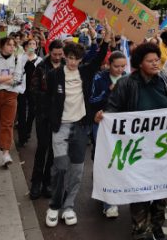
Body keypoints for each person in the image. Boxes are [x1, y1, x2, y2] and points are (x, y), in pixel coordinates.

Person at [99, 42, 167, 240]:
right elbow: (113, 110)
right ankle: (140, 229)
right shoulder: (126, 83)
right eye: (150, 61)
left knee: (163, 190)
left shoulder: (164, 80)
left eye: (157, 60)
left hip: (163, 148)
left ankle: (156, 224)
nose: (156, 64)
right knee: (140, 190)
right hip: (137, 149)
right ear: (140, 63)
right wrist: (103, 117)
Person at [44, 29, 110, 228]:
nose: (73, 62)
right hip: (61, 127)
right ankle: (54, 206)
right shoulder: (54, 75)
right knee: (61, 167)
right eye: (70, 58)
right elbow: (47, 101)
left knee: (77, 169)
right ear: (64, 57)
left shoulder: (85, 72)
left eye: (77, 59)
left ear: (81, 60)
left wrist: (106, 40)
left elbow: (99, 58)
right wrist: (50, 121)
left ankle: (69, 206)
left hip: (81, 126)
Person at [89, 51, 128, 219]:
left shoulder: (128, 78)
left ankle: (113, 191)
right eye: (116, 66)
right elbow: (92, 100)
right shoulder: (99, 78)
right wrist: (108, 91)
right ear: (108, 64)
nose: (120, 70)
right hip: (102, 123)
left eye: (122, 66)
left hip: (121, 125)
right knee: (106, 160)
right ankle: (109, 203)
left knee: (118, 159)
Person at [28, 40, 65, 200]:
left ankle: (47, 182)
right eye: (54, 54)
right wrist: (50, 98)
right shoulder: (41, 67)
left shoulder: (66, 67)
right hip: (43, 115)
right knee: (42, 147)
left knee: (53, 150)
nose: (57, 57)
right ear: (49, 52)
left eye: (60, 54)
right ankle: (36, 182)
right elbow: (33, 90)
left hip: (61, 117)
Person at [0, 37, 23, 167]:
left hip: (11, 95)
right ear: (1, 46)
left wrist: (2, 79)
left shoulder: (17, 60)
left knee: (7, 124)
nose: (12, 47)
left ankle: (6, 152)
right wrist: (10, 77)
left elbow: (18, 79)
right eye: (9, 45)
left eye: (13, 45)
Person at [16, 39, 42, 147]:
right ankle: (22, 136)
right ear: (25, 47)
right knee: (22, 112)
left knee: (32, 113)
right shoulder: (21, 58)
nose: (31, 45)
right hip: (22, 88)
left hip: (34, 90)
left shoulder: (40, 60)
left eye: (34, 44)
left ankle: (28, 131)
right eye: (29, 44)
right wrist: (25, 56)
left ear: (36, 47)